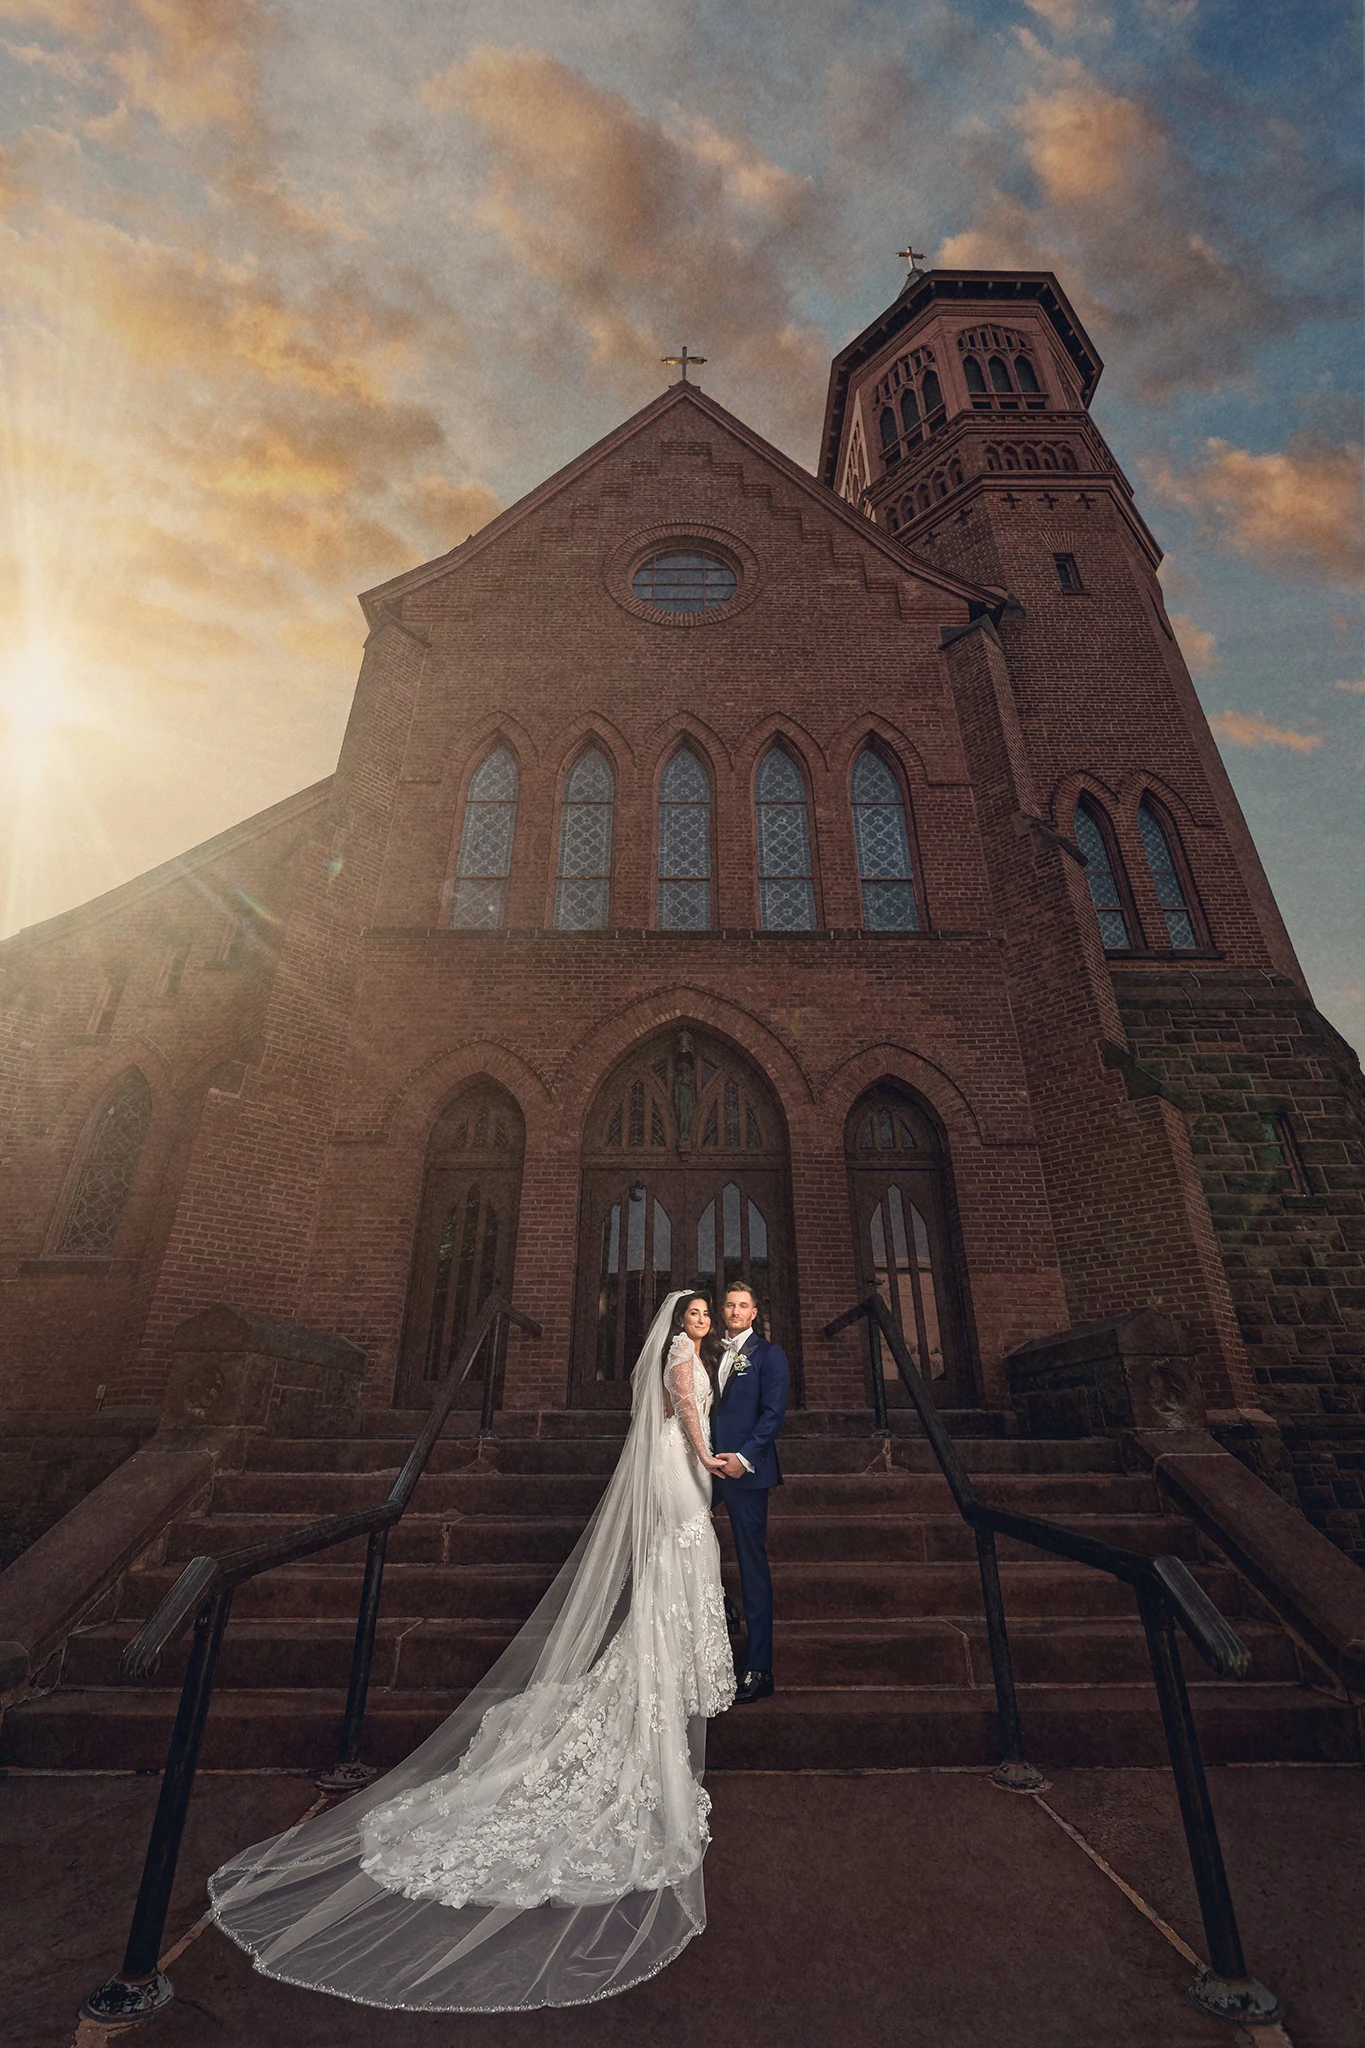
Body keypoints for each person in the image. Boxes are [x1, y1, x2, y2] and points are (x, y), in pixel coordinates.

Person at [208, 1290, 735, 2013]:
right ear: (678, 1324)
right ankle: (656, 1670)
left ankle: (671, 1662)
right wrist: (716, 1460)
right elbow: (683, 1415)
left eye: (709, 1315)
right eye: (695, 1315)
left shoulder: (697, 1353)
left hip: (689, 1468)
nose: (701, 1323)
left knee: (684, 1558)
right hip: (685, 1465)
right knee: (682, 1549)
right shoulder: (680, 1356)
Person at [710, 1278, 789, 1704]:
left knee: (751, 1562)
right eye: (730, 1305)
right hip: (707, 1469)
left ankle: (760, 1667)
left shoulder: (769, 1356)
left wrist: (745, 1458)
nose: (736, 1311)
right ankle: (720, 1599)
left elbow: (773, 1414)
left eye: (744, 1305)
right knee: (676, 1525)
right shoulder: (713, 1354)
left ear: (754, 1313)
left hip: (746, 1471)